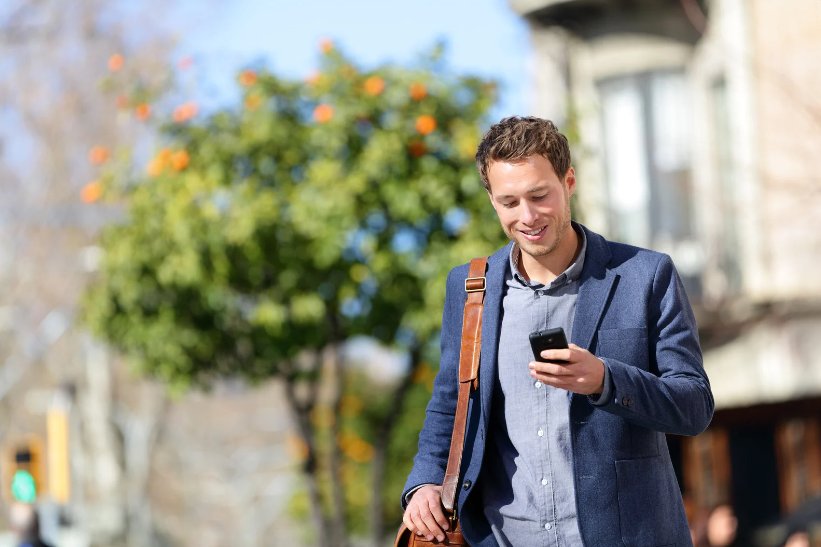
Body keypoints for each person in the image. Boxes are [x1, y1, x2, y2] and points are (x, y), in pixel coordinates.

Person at [400, 116, 714, 546]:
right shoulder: (471, 288)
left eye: (539, 195)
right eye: (509, 202)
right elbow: (451, 402)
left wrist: (605, 380)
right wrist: (424, 483)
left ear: (568, 182)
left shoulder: (646, 275)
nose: (527, 216)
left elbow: (694, 406)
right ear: (492, 200)